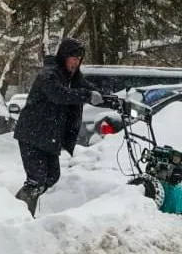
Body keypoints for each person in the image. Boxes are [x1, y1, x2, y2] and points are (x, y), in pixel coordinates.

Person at [12, 38, 114, 215]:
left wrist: (112, 100)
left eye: (79, 59)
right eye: (73, 57)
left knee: (51, 177)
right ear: (64, 56)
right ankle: (17, 214)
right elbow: (58, 95)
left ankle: (20, 210)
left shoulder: (72, 77)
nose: (76, 62)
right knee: (36, 181)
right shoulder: (49, 73)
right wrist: (87, 96)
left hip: (48, 136)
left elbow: (90, 88)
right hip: (32, 134)